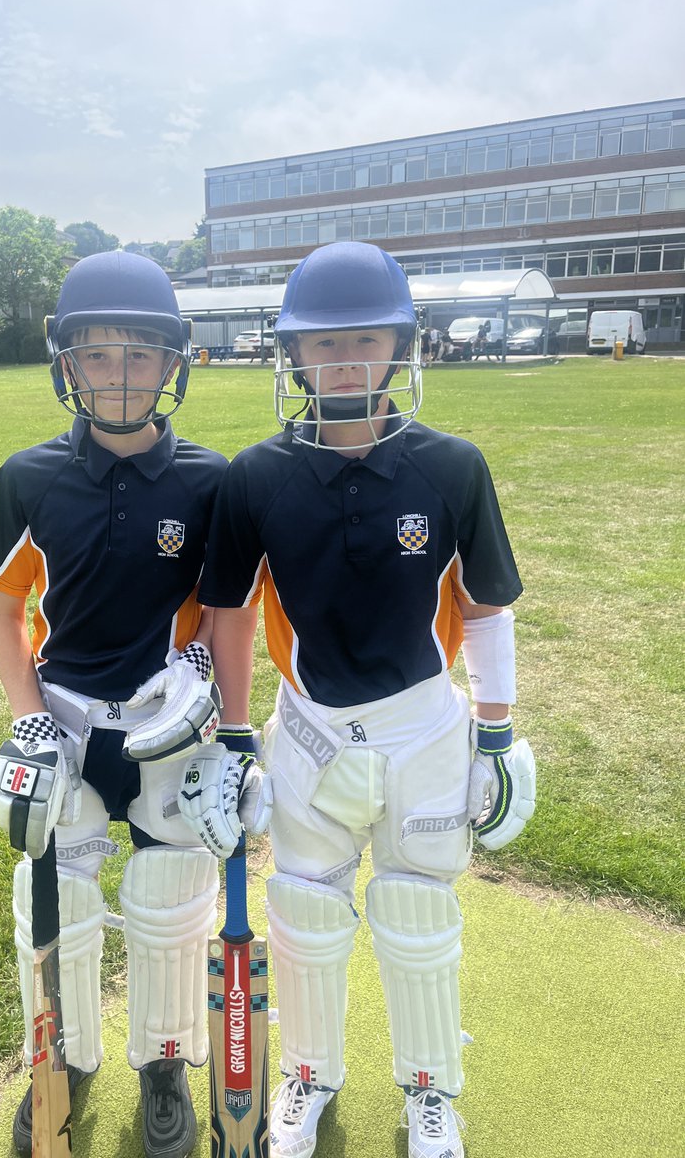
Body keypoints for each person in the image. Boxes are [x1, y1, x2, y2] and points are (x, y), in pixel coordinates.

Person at [179, 242, 535, 1158]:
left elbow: (484, 608)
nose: (344, 359)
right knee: (304, 912)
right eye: (323, 341)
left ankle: (430, 1092)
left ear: (401, 346)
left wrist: (498, 732)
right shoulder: (255, 476)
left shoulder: (452, 466)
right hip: (310, 727)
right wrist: (232, 736)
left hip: (424, 721)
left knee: (418, 910)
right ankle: (308, 1073)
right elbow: (229, 614)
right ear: (292, 353)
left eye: (365, 339)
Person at [0, 251, 268, 1158]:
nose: (120, 375)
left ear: (173, 362)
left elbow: (229, 616)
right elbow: (5, 611)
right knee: (52, 895)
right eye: (98, 354)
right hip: (66, 719)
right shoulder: (28, 476)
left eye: (139, 354)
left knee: (172, 899)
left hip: (170, 724)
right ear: (68, 363)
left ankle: (164, 1063)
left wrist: (232, 731)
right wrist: (28, 717)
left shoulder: (212, 481)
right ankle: (62, 1056)